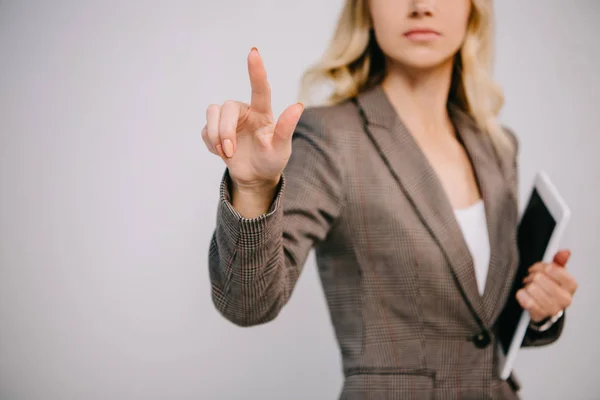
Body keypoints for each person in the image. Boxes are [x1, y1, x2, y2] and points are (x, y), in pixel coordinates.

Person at [201, 0, 578, 398]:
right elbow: (247, 303)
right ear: (366, 10)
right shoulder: (332, 137)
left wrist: (541, 311)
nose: (422, 6)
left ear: (473, 9)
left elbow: (480, 326)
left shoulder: (497, 149)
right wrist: (256, 189)